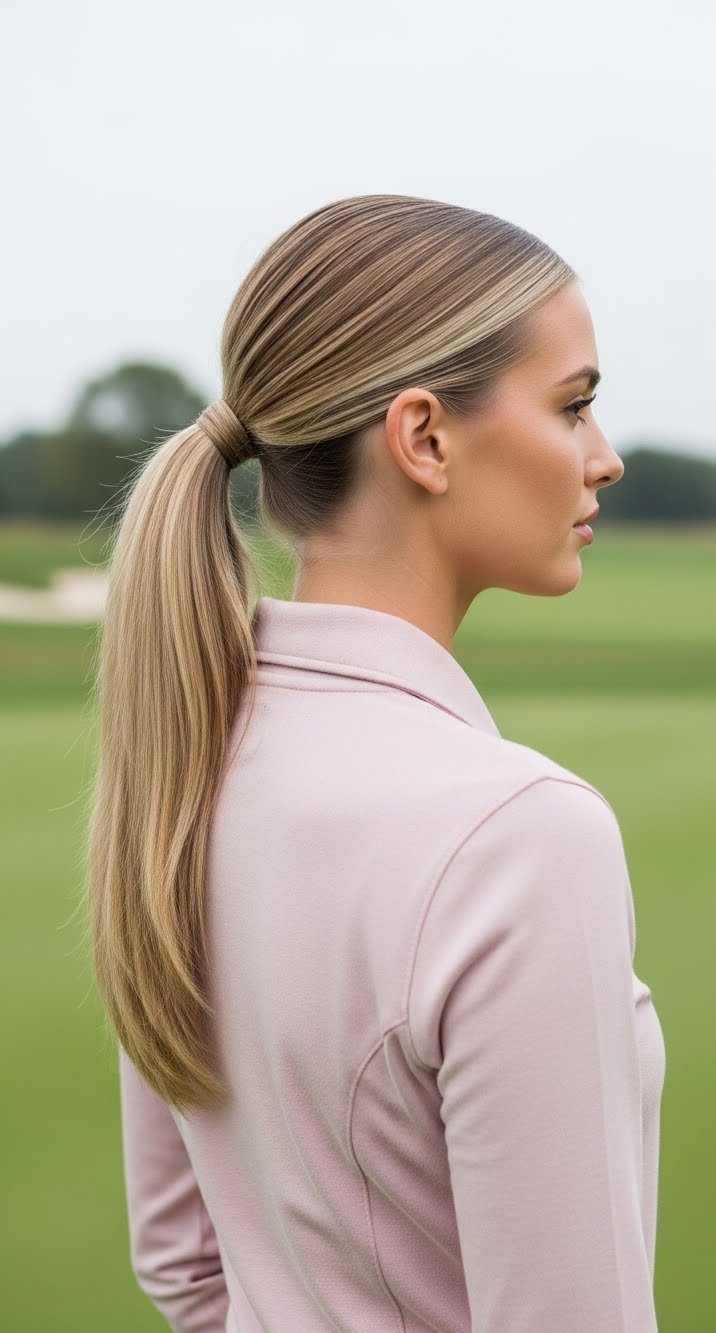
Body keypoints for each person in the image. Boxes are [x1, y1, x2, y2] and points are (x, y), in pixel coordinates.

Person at [86, 193, 665, 1331]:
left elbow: (188, 1270)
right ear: (424, 437)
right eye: (575, 406)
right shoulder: (521, 835)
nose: (606, 457)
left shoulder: (186, 757)